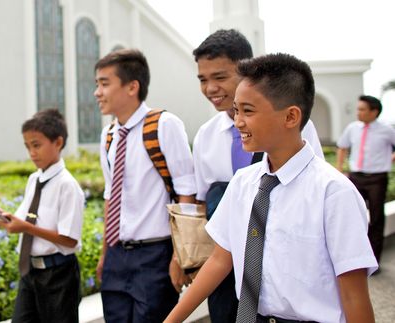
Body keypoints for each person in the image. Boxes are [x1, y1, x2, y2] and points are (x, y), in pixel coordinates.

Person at [166, 53, 377, 323]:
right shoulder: (243, 183)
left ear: (290, 117)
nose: (238, 121)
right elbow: (220, 260)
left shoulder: (333, 193)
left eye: (248, 111)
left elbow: (354, 297)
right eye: (236, 110)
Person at [191, 29, 324, 323]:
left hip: (280, 268)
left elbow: (311, 192)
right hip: (224, 268)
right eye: (203, 79)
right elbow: (201, 206)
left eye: (220, 77)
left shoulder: (294, 128)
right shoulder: (206, 136)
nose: (211, 88)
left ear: (248, 69)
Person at [94, 48, 196, 322]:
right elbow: (110, 197)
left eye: (104, 83)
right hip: (117, 254)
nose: (97, 92)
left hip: (155, 255)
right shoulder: (108, 135)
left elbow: (187, 191)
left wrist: (179, 257)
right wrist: (105, 254)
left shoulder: (164, 125)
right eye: (97, 84)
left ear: (132, 87)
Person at [0, 109, 84, 323]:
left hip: (58, 275)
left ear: (58, 142)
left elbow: (69, 239)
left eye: (37, 145)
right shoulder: (34, 180)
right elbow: (28, 220)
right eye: (28, 146)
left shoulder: (67, 186)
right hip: (30, 272)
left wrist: (25, 228)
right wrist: (5, 220)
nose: (32, 152)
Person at [337, 95, 395, 265]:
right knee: (353, 217)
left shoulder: (387, 130)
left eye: (362, 109)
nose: (358, 113)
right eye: (358, 109)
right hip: (356, 177)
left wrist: (389, 159)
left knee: (376, 218)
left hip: (377, 178)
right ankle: (355, 260)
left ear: (374, 112)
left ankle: (374, 262)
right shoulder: (352, 128)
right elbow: (342, 146)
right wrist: (340, 169)